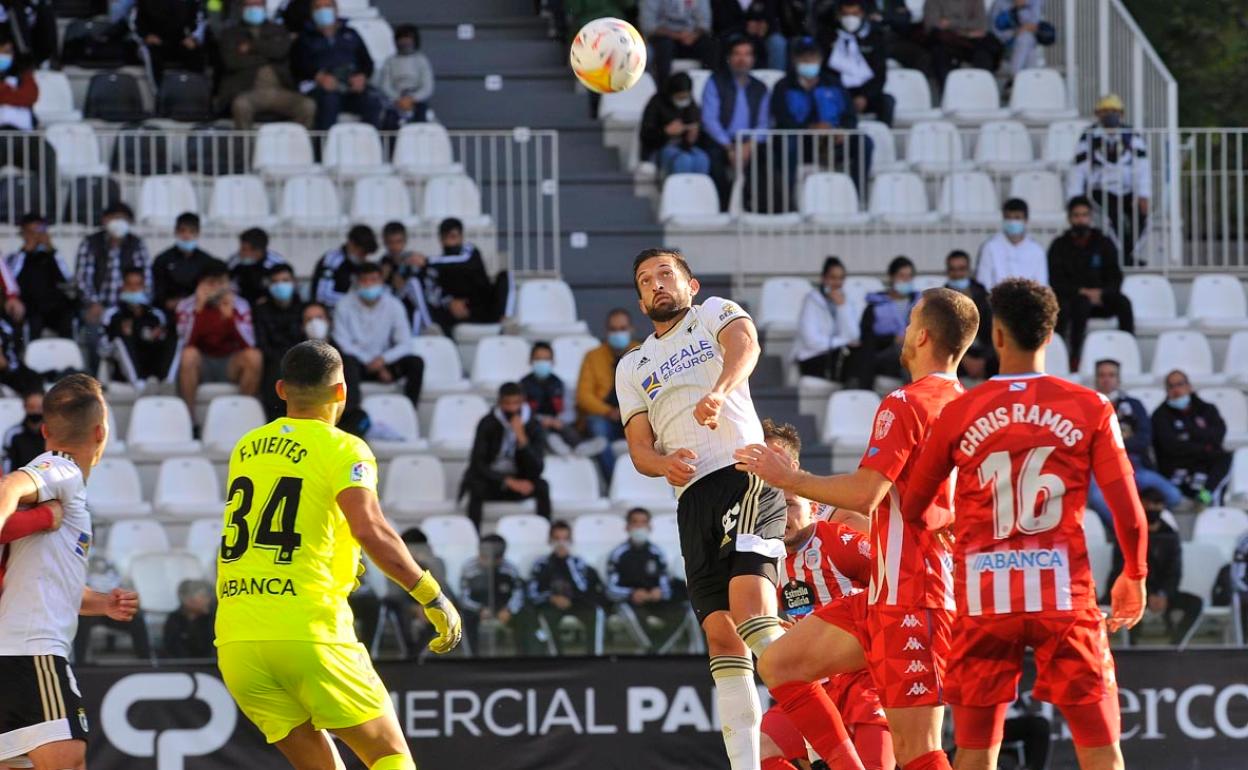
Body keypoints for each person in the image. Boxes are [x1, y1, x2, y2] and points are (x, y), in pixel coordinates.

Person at [899, 278, 1147, 770]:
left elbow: (913, 507)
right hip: (1062, 597)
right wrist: (1134, 575)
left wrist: (957, 522)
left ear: (997, 337)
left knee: (975, 754)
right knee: (1101, 754)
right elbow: (1130, 515)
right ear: (1050, 337)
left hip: (985, 599)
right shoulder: (1091, 406)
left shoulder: (959, 410)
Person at [735, 287, 982, 770]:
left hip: (915, 595)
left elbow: (867, 493)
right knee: (779, 664)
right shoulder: (972, 407)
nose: (904, 332)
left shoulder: (906, 402)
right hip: (885, 598)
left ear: (924, 335)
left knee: (920, 751)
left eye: (910, 322)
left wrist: (791, 479)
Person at [214, 340, 460, 770]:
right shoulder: (345, 448)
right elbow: (371, 529)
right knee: (388, 754)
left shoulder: (246, 447)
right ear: (341, 391)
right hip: (308, 630)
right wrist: (432, 596)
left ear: (281, 390)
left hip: (237, 640)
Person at [619, 248, 789, 770]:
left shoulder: (713, 312)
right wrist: (660, 466)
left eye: (665, 274)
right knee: (721, 634)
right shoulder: (632, 365)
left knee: (752, 613)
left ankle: (817, 736)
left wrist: (718, 392)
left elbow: (746, 345)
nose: (656, 285)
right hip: (691, 500)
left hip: (744, 473)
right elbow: (639, 448)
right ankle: (747, 765)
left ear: (690, 285)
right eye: (645, 279)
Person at [0, 373, 141, 770]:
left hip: (13, 648)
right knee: (68, 759)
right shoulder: (60, 468)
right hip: (33, 651)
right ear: (101, 432)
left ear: (45, 429)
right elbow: (9, 485)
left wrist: (101, 602)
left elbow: (42, 579)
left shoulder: (59, 489)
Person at [764, 489, 891, 770]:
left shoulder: (836, 540)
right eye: (773, 507)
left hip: (863, 679)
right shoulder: (767, 560)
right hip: (812, 681)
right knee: (760, 748)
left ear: (812, 508)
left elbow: (891, 584)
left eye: (790, 506)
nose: (782, 516)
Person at [1086, 359, 1182, 531]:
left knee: (1173, 495)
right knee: (1098, 498)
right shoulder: (1086, 404)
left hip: (1135, 467)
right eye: (1102, 375)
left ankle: (1145, 525)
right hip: (1100, 470)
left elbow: (1144, 439)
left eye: (1111, 375)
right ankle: (1132, 531)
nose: (1106, 379)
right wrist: (1122, 439)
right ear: (1096, 379)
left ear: (1119, 379)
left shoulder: (1134, 405)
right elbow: (1085, 443)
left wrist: (1109, 442)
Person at [771, 37, 873, 197]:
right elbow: (782, 118)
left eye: (812, 58)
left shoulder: (833, 83)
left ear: (820, 59)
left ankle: (857, 195)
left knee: (864, 142)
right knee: (787, 144)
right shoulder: (783, 86)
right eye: (804, 59)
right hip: (801, 142)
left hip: (831, 140)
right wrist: (808, 129)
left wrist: (842, 130)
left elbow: (849, 115)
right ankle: (786, 198)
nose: (809, 62)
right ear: (794, 60)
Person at [1048, 195, 1134, 370]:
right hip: (1075, 300)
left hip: (1102, 298)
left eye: (1084, 215)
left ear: (1090, 217)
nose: (1081, 219)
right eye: (1076, 215)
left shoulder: (1104, 243)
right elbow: (1056, 281)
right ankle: (1074, 357)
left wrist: (1102, 293)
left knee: (1124, 303)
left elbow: (1115, 275)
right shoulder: (1059, 246)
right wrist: (1081, 292)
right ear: (1070, 218)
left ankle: (1129, 348)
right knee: (1079, 306)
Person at [1107, 488, 1202, 645]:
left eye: (1156, 504)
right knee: (1129, 601)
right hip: (1132, 591)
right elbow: (1121, 569)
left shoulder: (1170, 535)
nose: (1152, 508)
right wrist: (1147, 593)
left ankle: (1176, 646)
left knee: (1195, 603)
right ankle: (1132, 647)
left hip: (1161, 593)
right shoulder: (1128, 533)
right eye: (1147, 504)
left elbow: (1174, 571)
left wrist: (1163, 594)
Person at [1068, 94, 1151, 265]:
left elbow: (1142, 167)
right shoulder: (1088, 136)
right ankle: (1121, 258)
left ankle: (1125, 256)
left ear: (1122, 114)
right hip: (1101, 188)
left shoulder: (1132, 136)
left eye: (1114, 111)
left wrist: (1143, 194)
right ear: (1098, 114)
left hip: (1127, 189)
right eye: (1105, 111)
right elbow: (1078, 168)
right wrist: (1074, 197)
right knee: (1112, 220)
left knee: (1142, 220)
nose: (1110, 115)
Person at [333, 262, 424, 418]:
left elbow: (405, 343)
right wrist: (370, 361)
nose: (369, 285)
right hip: (358, 364)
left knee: (416, 363)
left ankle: (410, 412)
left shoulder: (394, 305)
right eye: (364, 280)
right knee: (345, 362)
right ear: (357, 282)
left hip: (386, 364)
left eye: (373, 280)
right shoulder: (344, 305)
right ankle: (352, 415)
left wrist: (383, 360)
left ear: (381, 281)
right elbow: (342, 341)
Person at [173, 260, 263, 418]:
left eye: (220, 283)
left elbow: (249, 343)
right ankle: (189, 419)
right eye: (210, 283)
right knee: (188, 355)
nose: (215, 288)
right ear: (200, 284)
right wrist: (199, 311)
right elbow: (185, 343)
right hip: (202, 363)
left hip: (230, 362)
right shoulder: (186, 306)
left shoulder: (239, 304)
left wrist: (230, 318)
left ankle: (242, 416)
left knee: (254, 357)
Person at [460, 382, 551, 530]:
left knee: (542, 486)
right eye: (507, 403)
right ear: (500, 403)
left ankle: (544, 533)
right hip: (494, 481)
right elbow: (478, 463)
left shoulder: (533, 425)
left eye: (516, 403)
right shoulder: (487, 423)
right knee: (476, 487)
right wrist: (506, 481)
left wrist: (522, 440)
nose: (512, 408)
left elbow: (537, 467)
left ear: (522, 402)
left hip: (521, 481)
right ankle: (474, 536)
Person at [74, 202, 151, 372]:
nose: (119, 222)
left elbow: (145, 281)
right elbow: (82, 280)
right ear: (104, 220)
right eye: (115, 218)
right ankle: (94, 378)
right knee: (92, 332)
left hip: (128, 306)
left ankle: (138, 377)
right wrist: (93, 303)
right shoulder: (90, 243)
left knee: (142, 328)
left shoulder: (137, 244)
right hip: (98, 307)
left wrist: (136, 307)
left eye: (123, 219)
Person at [216, 0, 316, 128]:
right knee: (241, 105)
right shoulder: (230, 33)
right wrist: (269, 56)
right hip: (247, 92)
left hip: (281, 91)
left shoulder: (278, 29)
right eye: (249, 5)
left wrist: (252, 47)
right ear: (242, 8)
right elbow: (232, 62)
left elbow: (280, 51)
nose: (254, 8)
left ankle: (296, 146)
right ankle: (245, 148)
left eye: (257, 4)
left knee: (307, 105)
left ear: (264, 6)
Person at [702, 36, 772, 211]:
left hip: (750, 142)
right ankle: (722, 209)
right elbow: (709, 119)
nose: (742, 59)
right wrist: (729, 147)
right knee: (715, 162)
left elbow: (765, 122)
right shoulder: (715, 82)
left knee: (767, 161)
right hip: (721, 141)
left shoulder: (760, 87)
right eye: (737, 54)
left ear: (753, 59)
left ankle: (758, 210)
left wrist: (750, 144)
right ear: (729, 58)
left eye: (747, 54)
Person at [406, 218, 508, 336]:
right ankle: (435, 333)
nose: (450, 243)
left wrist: (427, 261)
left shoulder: (469, 251)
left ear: (461, 237)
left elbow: (461, 260)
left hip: (484, 307)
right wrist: (449, 302)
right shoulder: (437, 265)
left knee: (505, 276)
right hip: (457, 311)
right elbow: (434, 287)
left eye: (453, 237)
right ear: (440, 239)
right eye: (445, 238)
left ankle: (506, 320)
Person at [606, 507, 687, 652]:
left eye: (643, 522)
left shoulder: (657, 553)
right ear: (627, 527)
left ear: (649, 527)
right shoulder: (618, 554)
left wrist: (660, 592)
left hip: (655, 601)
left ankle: (655, 652)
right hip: (629, 602)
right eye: (635, 522)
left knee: (682, 611)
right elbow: (611, 589)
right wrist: (631, 593)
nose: (639, 526)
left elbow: (665, 583)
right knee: (627, 611)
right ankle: (653, 651)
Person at [292, 0, 383, 129]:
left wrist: (362, 76)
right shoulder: (305, 38)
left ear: (335, 9)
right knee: (329, 102)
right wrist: (319, 77)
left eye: (327, 6)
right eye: (318, 7)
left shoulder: (351, 34)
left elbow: (367, 62)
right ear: (312, 12)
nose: (323, 10)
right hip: (322, 90)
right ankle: (323, 147)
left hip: (351, 87)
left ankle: (371, 146)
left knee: (372, 102)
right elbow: (298, 66)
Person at [527, 519, 608, 655]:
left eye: (565, 538)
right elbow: (532, 593)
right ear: (550, 540)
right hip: (551, 604)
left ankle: (594, 656)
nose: (561, 543)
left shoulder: (578, 563)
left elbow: (584, 589)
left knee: (595, 612)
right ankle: (556, 658)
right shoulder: (540, 564)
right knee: (545, 615)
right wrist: (552, 597)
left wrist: (568, 563)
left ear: (571, 540)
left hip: (577, 602)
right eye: (557, 538)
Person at [1152, 369, 1232, 504]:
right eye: (1171, 386)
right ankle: (1208, 496)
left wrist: (1189, 434)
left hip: (1206, 464)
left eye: (1180, 384)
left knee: (1226, 457)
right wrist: (1204, 444)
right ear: (1166, 391)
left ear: (1189, 386)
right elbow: (1171, 447)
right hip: (1178, 469)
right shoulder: (1160, 416)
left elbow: (1219, 434)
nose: (1176, 390)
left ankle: (1208, 494)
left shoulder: (1207, 409)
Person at [577, 308, 637, 479]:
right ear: (606, 331)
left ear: (631, 330)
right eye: (613, 329)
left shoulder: (642, 353)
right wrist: (609, 412)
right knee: (598, 427)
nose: (618, 333)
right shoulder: (592, 356)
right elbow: (583, 396)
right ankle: (614, 480)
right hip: (605, 417)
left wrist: (631, 411)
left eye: (622, 328)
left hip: (633, 415)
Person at [520, 341, 604, 457]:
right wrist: (542, 420)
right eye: (538, 359)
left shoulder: (560, 384)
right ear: (530, 361)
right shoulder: (522, 385)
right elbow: (521, 412)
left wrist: (558, 421)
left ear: (553, 362)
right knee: (540, 430)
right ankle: (555, 444)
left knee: (566, 428)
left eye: (546, 359)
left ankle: (579, 446)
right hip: (535, 424)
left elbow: (569, 411)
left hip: (556, 422)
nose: (542, 363)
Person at [849, 255, 918, 390]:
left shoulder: (921, 303)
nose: (906, 280)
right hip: (886, 353)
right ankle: (914, 392)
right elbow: (867, 337)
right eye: (902, 276)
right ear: (892, 277)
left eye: (909, 276)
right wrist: (893, 339)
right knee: (903, 349)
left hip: (916, 350)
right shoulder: (876, 306)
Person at [102, 267, 173, 391]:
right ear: (123, 287)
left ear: (144, 287)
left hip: (151, 365)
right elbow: (103, 348)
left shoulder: (155, 315)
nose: (134, 289)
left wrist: (156, 337)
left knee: (174, 339)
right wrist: (124, 335)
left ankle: (166, 381)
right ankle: (139, 385)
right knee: (120, 341)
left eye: (138, 285)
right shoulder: (113, 315)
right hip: (123, 370)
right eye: (130, 285)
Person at [6, 212, 75, 340]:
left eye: (39, 231)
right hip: (29, 305)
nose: (36, 236)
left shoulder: (52, 255)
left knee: (67, 314)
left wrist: (51, 249)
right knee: (33, 320)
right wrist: (25, 251)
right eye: (31, 232)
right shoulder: (16, 257)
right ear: (24, 234)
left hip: (53, 305)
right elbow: (10, 278)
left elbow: (67, 277)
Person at [793, 256, 860, 382]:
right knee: (852, 360)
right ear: (824, 279)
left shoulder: (845, 301)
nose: (837, 283)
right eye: (833, 278)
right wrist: (842, 342)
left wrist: (842, 307)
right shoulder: (811, 301)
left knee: (860, 352)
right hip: (812, 358)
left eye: (840, 278)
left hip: (837, 354)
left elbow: (853, 335)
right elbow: (812, 342)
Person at [458, 533, 527, 656]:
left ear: (500, 558)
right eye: (482, 555)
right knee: (465, 616)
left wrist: (509, 609)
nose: (483, 559)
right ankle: (472, 657)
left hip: (503, 606)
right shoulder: (469, 568)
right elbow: (464, 596)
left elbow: (518, 594)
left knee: (524, 616)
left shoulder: (510, 569)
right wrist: (479, 609)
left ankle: (522, 658)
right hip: (477, 607)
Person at [828, 0, 895, 126]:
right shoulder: (829, 37)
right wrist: (846, 97)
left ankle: (885, 137)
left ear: (862, 14)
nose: (850, 18)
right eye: (846, 14)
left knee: (887, 101)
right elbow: (827, 73)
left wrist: (865, 96)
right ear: (839, 16)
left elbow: (880, 74)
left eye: (854, 14)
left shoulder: (874, 38)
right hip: (840, 93)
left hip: (866, 93)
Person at [254, 264, 305, 420]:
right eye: (275, 282)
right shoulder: (260, 311)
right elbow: (262, 345)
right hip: (274, 365)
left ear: (294, 282)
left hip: (302, 361)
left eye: (285, 280)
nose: (281, 285)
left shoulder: (304, 309)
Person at [639, 71, 710, 179]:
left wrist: (693, 136)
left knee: (702, 159)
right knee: (683, 160)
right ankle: (678, 192)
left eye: (685, 97)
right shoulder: (656, 103)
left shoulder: (691, 104)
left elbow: (697, 125)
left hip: (685, 146)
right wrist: (665, 132)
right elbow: (646, 135)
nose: (683, 101)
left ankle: (697, 192)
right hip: (660, 147)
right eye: (679, 97)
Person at [151, 212, 220, 318]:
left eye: (191, 232)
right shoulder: (162, 260)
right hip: (169, 314)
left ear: (198, 234)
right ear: (175, 232)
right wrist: (169, 302)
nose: (186, 236)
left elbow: (211, 290)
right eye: (182, 231)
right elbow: (157, 291)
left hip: (199, 313)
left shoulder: (207, 261)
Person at [640, 0, 718, 87]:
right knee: (663, 47)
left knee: (712, 45)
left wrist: (693, 35)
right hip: (664, 38)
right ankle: (663, 90)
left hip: (692, 38)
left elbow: (705, 23)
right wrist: (677, 35)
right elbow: (648, 26)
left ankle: (709, 87)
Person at [975, 198, 1048, 290]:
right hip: (996, 301)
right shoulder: (990, 247)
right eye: (1008, 218)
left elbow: (1041, 285)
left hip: (1028, 302)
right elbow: (983, 282)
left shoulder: (1037, 250)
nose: (1012, 222)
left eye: (1017, 218)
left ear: (1026, 220)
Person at [945, 249, 995, 381]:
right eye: (953, 269)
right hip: (956, 357)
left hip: (984, 354)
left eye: (961, 269)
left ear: (968, 270)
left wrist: (983, 360)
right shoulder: (940, 300)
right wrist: (965, 360)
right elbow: (942, 338)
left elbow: (993, 330)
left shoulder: (982, 295)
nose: (957, 274)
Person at [923, 0, 1002, 84]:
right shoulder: (933, 2)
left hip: (971, 43)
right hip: (947, 42)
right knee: (939, 52)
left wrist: (950, 23)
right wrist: (967, 32)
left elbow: (981, 24)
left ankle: (980, 89)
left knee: (984, 53)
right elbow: (933, 25)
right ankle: (949, 92)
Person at [378, 23, 434, 127]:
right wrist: (399, 99)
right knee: (389, 121)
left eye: (408, 38)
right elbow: (385, 85)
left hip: (416, 100)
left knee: (420, 121)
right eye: (401, 38)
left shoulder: (421, 60)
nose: (404, 42)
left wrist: (412, 98)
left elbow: (427, 87)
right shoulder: (390, 61)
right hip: (396, 99)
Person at [135, 0, 208, 79]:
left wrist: (193, 37)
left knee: (196, 53)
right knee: (150, 55)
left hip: (178, 40)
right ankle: (157, 90)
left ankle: (193, 87)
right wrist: (146, 36)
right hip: (153, 42)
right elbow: (136, 21)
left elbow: (197, 20)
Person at [312, 224, 378, 310]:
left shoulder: (360, 264)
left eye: (366, 254)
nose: (363, 257)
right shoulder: (332, 261)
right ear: (351, 244)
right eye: (361, 253)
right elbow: (322, 296)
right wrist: (355, 301)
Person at [712, 0, 788, 71]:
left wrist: (766, 27)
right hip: (735, 34)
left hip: (764, 36)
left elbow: (778, 17)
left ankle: (775, 78)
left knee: (777, 43)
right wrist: (745, 27)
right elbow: (720, 23)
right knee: (734, 42)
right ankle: (734, 80)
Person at [229, 228, 288, 308]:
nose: (241, 253)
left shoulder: (277, 262)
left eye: (244, 249)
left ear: (258, 251)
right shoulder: (235, 261)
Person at [988, 0, 1044, 76]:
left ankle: (1015, 77)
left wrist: (1022, 7)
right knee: (1027, 42)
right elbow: (993, 31)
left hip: (1026, 44)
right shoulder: (999, 3)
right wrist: (1014, 33)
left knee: (1026, 39)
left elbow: (1034, 25)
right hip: (1005, 45)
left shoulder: (1034, 1)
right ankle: (1027, 79)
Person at [162, 579, 216, 659]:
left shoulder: (212, 619)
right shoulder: (174, 620)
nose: (207, 600)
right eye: (203, 596)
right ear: (188, 600)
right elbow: (171, 649)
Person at [0, 36, 37, 131]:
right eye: (1, 52)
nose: (3, 56)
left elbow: (29, 97)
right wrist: (13, 92)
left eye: (7, 52)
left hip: (23, 134)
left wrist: (5, 92)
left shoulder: (23, 76)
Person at [2, 389, 43, 471]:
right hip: (20, 480)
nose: (35, 411)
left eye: (39, 407)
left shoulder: (53, 433)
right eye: (31, 407)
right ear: (25, 407)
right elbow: (7, 462)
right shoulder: (13, 434)